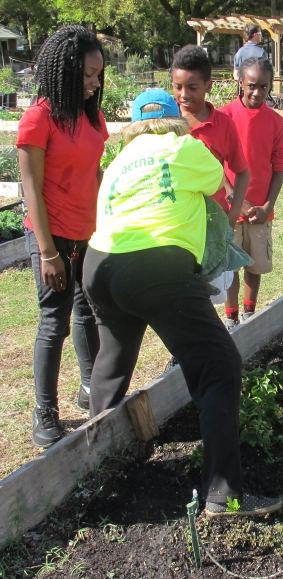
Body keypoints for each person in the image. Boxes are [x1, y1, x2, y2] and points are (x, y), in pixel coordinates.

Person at [83, 89, 282, 517]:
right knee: (218, 365)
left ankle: (90, 480)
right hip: (155, 264)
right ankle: (222, 495)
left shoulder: (117, 161)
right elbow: (215, 182)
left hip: (99, 266)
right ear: (177, 120)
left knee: (111, 367)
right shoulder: (183, 146)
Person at [17, 26, 107, 448]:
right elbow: (30, 189)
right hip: (52, 237)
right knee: (54, 323)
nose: (95, 83)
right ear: (68, 70)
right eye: (89, 75)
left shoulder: (91, 116)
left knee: (86, 311)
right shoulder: (39, 117)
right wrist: (48, 253)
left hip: (87, 233)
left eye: (99, 76)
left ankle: (90, 388)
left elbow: (94, 171)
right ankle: (45, 411)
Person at [220, 58, 283, 329]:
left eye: (263, 86)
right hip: (230, 209)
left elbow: (279, 168)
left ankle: (249, 312)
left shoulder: (275, 121)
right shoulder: (224, 117)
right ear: (240, 83)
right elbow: (214, 163)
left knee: (255, 264)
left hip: (260, 210)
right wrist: (235, 199)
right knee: (230, 265)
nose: (257, 92)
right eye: (251, 85)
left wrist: (266, 206)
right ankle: (231, 316)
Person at [171, 44, 249, 224]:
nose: (184, 94)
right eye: (178, 87)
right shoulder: (166, 121)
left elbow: (242, 173)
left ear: (208, 86)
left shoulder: (223, 124)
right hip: (175, 220)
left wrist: (232, 213)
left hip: (212, 219)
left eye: (192, 87)